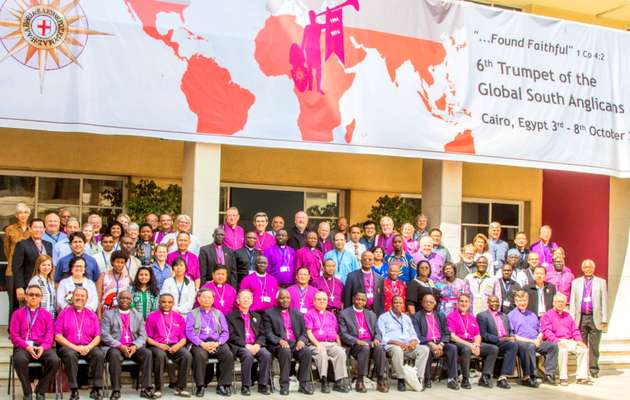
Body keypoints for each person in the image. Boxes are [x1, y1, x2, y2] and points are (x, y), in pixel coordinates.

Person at [101, 290, 156, 399]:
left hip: (133, 347)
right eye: (122, 298)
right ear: (117, 300)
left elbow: (143, 336)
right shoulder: (108, 314)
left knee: (147, 353)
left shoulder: (138, 315)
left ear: (131, 301)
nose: (125, 300)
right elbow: (104, 335)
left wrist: (135, 346)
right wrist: (120, 346)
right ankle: (116, 390)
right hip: (116, 347)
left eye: (128, 298)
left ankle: (146, 388)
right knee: (114, 355)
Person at [10, 284, 61, 400]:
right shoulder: (17, 314)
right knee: (19, 359)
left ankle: (40, 390)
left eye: (37, 295)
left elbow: (49, 334)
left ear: (41, 298)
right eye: (31, 294)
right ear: (26, 297)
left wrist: (43, 346)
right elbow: (14, 335)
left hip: (41, 346)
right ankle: (27, 392)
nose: (34, 297)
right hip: (24, 346)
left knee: (55, 360)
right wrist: (27, 346)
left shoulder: (47, 315)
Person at [55, 287, 105, 400]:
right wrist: (76, 348)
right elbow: (58, 336)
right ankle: (74, 390)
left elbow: (97, 337)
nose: (79, 298)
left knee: (99, 354)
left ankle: (96, 389)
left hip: (88, 346)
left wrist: (88, 347)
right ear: (72, 297)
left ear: (86, 299)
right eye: (77, 295)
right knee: (70, 355)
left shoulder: (92, 315)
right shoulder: (63, 313)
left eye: (83, 296)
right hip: (69, 346)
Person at [262, 289, 314, 395]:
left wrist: (301, 340)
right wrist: (279, 340)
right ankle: (284, 385)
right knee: (285, 351)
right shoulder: (269, 313)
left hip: (294, 344)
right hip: (277, 346)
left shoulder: (297, 313)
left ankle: (303, 384)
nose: (285, 300)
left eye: (287, 298)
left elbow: (304, 333)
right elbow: (268, 333)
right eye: (282, 298)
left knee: (307, 351)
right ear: (277, 300)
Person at [185, 288, 234, 397]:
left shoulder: (219, 313)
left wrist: (218, 343)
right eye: (204, 297)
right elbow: (189, 332)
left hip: (216, 343)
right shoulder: (192, 314)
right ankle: (200, 386)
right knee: (200, 355)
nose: (207, 299)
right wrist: (202, 344)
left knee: (228, 354)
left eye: (209, 297)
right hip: (199, 343)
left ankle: (222, 385)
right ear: (198, 299)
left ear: (213, 300)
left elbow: (225, 332)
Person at [338, 292, 388, 393]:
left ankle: (380, 379)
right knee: (365, 348)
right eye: (358, 299)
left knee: (380, 348)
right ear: (353, 299)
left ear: (366, 302)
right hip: (355, 344)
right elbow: (343, 333)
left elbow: (377, 331)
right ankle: (360, 380)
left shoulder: (371, 314)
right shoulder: (344, 313)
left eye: (363, 300)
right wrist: (357, 341)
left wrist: (377, 339)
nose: (360, 301)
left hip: (370, 343)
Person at [377, 295, 429, 392]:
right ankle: (401, 379)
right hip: (392, 345)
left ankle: (416, 378)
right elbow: (382, 337)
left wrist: (413, 342)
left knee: (424, 349)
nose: (398, 304)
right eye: (396, 302)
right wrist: (397, 343)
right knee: (397, 350)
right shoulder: (383, 317)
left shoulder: (406, 318)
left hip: (407, 346)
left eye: (400, 303)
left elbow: (413, 335)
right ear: (391, 304)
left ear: (403, 305)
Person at [447, 294, 498, 389]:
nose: (464, 303)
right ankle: (465, 378)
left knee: (493, 349)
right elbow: (452, 336)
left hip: (472, 343)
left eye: (466, 301)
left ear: (470, 304)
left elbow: (477, 335)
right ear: (457, 303)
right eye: (461, 301)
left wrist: (477, 345)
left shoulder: (472, 317)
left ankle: (485, 377)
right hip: (459, 343)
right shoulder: (451, 316)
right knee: (466, 349)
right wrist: (471, 345)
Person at [145, 293, 192, 398]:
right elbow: (147, 338)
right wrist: (159, 345)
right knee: (160, 356)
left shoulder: (178, 317)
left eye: (169, 302)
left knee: (187, 355)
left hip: (174, 345)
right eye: (163, 302)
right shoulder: (152, 316)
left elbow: (183, 338)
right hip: (157, 345)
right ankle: (158, 388)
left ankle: (180, 388)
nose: (166, 304)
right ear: (159, 302)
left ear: (173, 303)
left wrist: (178, 346)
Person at [508, 290, 559, 386]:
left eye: (524, 300)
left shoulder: (532, 314)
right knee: (529, 346)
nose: (522, 303)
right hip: (521, 342)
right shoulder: (511, 315)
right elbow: (513, 336)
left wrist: (539, 338)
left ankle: (549, 374)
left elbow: (540, 330)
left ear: (527, 301)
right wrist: (532, 341)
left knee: (553, 346)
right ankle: (530, 375)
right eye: (519, 301)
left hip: (536, 341)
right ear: (515, 302)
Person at [227, 290, 272, 395]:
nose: (246, 300)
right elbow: (231, 335)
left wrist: (257, 344)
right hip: (240, 346)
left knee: (266, 355)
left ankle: (263, 385)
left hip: (255, 345)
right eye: (243, 297)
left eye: (248, 298)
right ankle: (246, 386)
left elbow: (262, 334)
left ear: (252, 301)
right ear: (238, 301)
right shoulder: (231, 316)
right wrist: (245, 345)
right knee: (247, 355)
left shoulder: (257, 316)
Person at [304, 291, 349, 393]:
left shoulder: (331, 315)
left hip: (332, 343)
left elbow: (336, 333)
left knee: (341, 352)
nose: (322, 301)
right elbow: (309, 332)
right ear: (314, 301)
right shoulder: (309, 314)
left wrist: (339, 345)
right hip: (316, 343)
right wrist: (317, 344)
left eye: (324, 299)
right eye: (319, 299)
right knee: (322, 352)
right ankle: (324, 380)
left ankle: (339, 381)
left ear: (327, 301)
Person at [570, 259, 608, 379]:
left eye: (590, 267)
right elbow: (573, 302)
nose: (587, 269)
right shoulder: (576, 282)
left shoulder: (601, 282)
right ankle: (582, 369)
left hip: (594, 317)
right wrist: (572, 319)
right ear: (582, 269)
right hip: (580, 317)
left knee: (594, 346)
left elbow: (604, 302)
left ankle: (594, 369)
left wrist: (604, 319)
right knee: (581, 345)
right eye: (585, 267)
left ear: (593, 268)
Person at [541, 293, 590, 385]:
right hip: (555, 341)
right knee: (563, 350)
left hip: (569, 340)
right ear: (554, 303)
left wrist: (579, 341)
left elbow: (575, 329)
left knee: (583, 349)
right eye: (558, 302)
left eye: (562, 302)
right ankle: (563, 378)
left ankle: (582, 377)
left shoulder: (568, 315)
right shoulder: (547, 315)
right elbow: (546, 331)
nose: (560, 304)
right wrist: (557, 341)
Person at [413, 294, 459, 390]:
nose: (428, 304)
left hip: (440, 343)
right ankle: (427, 378)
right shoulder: (417, 316)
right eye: (426, 302)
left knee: (453, 348)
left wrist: (441, 344)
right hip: (426, 343)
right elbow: (417, 335)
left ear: (435, 304)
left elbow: (446, 333)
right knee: (426, 350)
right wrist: (431, 344)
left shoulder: (440, 315)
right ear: (422, 303)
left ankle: (452, 379)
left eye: (431, 302)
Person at [476, 295, 518, 389]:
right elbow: (484, 334)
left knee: (513, 345)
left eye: (496, 301)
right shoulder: (482, 315)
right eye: (492, 301)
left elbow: (510, 330)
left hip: (505, 342)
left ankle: (503, 377)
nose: (495, 303)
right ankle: (486, 376)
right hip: (491, 342)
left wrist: (511, 336)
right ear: (488, 303)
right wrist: (499, 339)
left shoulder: (504, 316)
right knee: (506, 346)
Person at [11, 219, 52, 314]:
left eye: (41, 227)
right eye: (35, 227)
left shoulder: (48, 245)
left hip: (44, 286)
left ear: (44, 229)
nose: (38, 230)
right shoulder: (22, 244)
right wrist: (19, 286)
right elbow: (17, 267)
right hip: (27, 285)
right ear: (30, 229)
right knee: (23, 313)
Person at [3, 203, 30, 300]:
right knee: (12, 302)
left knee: (27, 301)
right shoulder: (10, 229)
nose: (23, 215)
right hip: (12, 270)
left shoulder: (32, 229)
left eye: (25, 212)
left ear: (29, 214)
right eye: (20, 212)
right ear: (16, 215)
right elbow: (7, 250)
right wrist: (14, 260)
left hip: (28, 270)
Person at [343, 251, 384, 315]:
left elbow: (381, 299)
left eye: (370, 259)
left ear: (373, 261)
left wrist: (381, 314)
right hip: (356, 311)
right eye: (365, 259)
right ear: (361, 260)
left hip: (374, 312)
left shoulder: (379, 278)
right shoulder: (351, 276)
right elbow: (347, 298)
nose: (367, 261)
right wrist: (347, 314)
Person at [96, 250, 131, 316]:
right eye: (117, 262)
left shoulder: (127, 277)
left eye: (122, 262)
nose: (119, 265)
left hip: (122, 313)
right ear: (112, 262)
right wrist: (99, 316)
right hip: (106, 312)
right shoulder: (103, 276)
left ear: (125, 263)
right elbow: (98, 298)